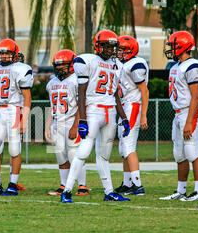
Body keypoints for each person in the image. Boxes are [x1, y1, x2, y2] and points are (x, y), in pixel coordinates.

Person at [60, 29, 131, 203]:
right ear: (98, 46)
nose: (110, 50)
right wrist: (82, 120)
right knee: (83, 152)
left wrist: (124, 118)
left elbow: (115, 94)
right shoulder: (87, 60)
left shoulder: (117, 65)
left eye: (112, 47)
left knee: (104, 156)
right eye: (106, 46)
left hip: (111, 111)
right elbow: (81, 93)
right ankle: (67, 190)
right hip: (93, 110)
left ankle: (109, 192)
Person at [0, 38, 33, 196]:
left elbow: (27, 97)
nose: (3, 57)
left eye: (7, 53)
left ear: (14, 54)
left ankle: (13, 185)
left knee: (15, 149)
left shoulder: (20, 69)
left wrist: (24, 118)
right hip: (0, 112)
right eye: (1, 54)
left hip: (15, 109)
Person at [159, 31, 198, 202]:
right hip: (178, 112)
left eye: (173, 46)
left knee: (192, 152)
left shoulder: (193, 65)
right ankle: (181, 190)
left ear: (183, 46)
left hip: (189, 112)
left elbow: (195, 97)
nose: (170, 49)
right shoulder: (175, 66)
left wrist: (188, 121)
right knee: (179, 154)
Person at [45, 49, 91, 196]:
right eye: (57, 65)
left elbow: (81, 104)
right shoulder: (51, 83)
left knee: (74, 154)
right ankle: (63, 184)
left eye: (63, 65)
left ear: (71, 65)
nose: (60, 68)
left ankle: (82, 185)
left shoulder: (76, 81)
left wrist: (75, 125)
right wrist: (48, 127)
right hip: (57, 122)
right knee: (60, 155)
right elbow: (51, 106)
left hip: (71, 121)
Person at [113, 35, 149, 196]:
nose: (118, 52)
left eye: (121, 49)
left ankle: (137, 185)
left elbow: (144, 91)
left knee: (128, 146)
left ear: (130, 50)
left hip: (133, 106)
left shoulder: (136, 64)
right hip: (125, 107)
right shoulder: (123, 64)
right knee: (123, 147)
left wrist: (144, 116)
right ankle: (127, 183)